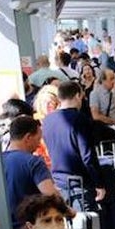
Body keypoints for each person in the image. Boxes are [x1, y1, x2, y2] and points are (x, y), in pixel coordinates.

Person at [41, 80, 104, 211]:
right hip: (80, 185)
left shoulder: (47, 120)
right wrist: (99, 183)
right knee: (85, 228)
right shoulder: (80, 119)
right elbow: (88, 155)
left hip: (58, 183)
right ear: (77, 95)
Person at [2, 115, 59, 229]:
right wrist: (69, 211)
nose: (39, 144)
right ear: (28, 137)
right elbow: (50, 195)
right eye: (38, 139)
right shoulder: (34, 162)